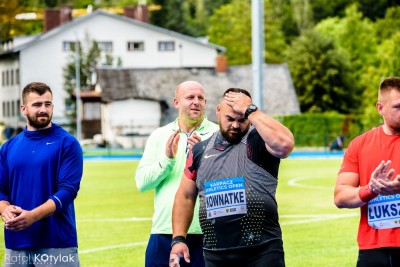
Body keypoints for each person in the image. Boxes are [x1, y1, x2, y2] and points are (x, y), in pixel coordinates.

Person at [169, 88, 295, 267]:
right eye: (230, 119)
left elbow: (285, 144)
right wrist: (178, 239)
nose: (236, 125)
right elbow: (185, 196)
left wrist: (251, 110)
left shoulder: (259, 142)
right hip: (215, 254)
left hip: (262, 252)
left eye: (242, 119)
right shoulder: (200, 150)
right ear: (218, 111)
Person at [135, 81, 218, 267]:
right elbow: (142, 183)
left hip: (208, 233)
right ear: (176, 102)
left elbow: (226, 181)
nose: (196, 102)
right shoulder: (159, 135)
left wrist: (203, 161)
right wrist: (167, 160)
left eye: (201, 98)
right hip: (164, 231)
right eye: (190, 97)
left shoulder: (218, 134)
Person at [0, 82, 83, 266]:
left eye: (47, 104)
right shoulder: (8, 147)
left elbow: (68, 191)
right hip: (16, 244)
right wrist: (4, 209)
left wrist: (33, 216)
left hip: (57, 244)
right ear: (24, 108)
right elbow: (0, 190)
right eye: (37, 105)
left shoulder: (67, 143)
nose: (43, 109)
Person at [334, 77, 400, 267]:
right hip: (372, 250)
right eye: (398, 106)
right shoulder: (359, 145)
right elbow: (340, 197)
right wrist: (371, 189)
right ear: (380, 108)